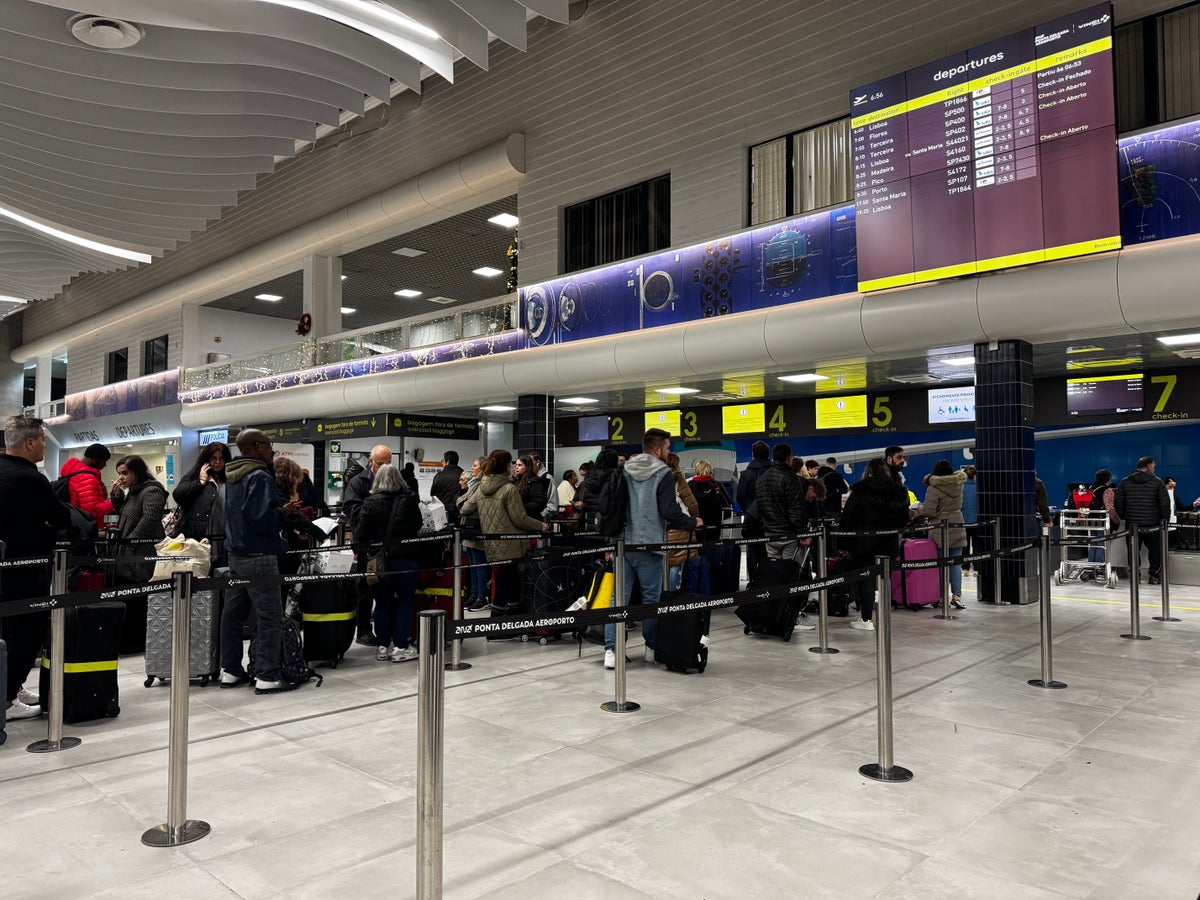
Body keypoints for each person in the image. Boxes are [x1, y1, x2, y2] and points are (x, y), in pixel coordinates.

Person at [605, 428, 701, 669]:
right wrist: (692, 522)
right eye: (667, 447)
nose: (669, 452)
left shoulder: (624, 470)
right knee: (651, 599)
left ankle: (611, 650)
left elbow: (616, 506)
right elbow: (669, 511)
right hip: (651, 544)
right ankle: (651, 648)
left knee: (618, 598)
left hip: (623, 543)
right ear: (657, 449)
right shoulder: (663, 473)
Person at [0, 416, 71, 720]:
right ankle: (6, 698)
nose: (44, 444)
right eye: (42, 440)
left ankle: (10, 687)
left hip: (4, 565)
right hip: (27, 567)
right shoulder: (31, 478)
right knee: (28, 630)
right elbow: (61, 518)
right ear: (29, 443)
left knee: (6, 631)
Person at [219, 428, 292, 693]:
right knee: (269, 616)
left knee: (232, 616)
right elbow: (262, 520)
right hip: (260, 555)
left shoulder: (231, 475)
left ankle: (230, 670)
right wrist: (282, 513)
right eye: (269, 444)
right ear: (258, 446)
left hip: (236, 555)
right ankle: (267, 675)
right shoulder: (259, 476)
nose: (272, 449)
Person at [463, 449, 548, 614]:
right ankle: (506, 620)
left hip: (491, 542)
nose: (513, 466)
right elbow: (519, 518)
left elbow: (467, 507)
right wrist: (540, 526)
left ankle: (500, 619)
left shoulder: (481, 487)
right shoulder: (509, 489)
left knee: (503, 580)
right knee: (511, 584)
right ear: (506, 466)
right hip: (511, 544)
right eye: (511, 463)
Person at [354, 464, 424, 661]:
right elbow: (418, 524)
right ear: (399, 479)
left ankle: (382, 646)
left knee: (382, 602)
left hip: (379, 561)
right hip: (406, 558)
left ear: (377, 479)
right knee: (404, 602)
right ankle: (400, 647)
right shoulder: (410, 499)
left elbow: (361, 533)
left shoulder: (370, 502)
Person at [838, 457, 910, 631]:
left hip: (864, 543)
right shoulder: (898, 491)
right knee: (885, 579)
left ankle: (866, 619)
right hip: (888, 542)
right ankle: (885, 616)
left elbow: (848, 517)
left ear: (868, 471)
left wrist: (843, 543)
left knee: (866, 580)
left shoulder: (860, 491)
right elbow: (903, 519)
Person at [343, 445, 393, 645]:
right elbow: (351, 508)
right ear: (371, 462)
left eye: (388, 463)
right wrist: (371, 516)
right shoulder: (358, 482)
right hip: (366, 544)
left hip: (389, 543)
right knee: (365, 588)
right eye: (380, 463)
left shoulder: (394, 480)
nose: (384, 467)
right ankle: (363, 630)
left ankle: (387, 628)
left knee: (388, 588)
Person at [109, 454, 170, 584]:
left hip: (142, 552)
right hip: (130, 552)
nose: (121, 478)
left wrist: (131, 542)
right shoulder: (134, 491)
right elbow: (125, 514)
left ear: (137, 472)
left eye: (125, 473)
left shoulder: (152, 490)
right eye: (119, 474)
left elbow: (150, 518)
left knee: (138, 589)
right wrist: (117, 496)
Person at [918, 460, 968, 608]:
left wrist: (918, 509)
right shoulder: (959, 484)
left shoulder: (934, 488)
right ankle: (957, 595)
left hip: (939, 527)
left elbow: (929, 511)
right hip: (957, 523)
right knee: (955, 563)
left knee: (940, 564)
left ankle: (940, 597)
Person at [754, 443, 815, 563]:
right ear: (788, 458)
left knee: (774, 569)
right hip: (788, 534)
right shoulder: (790, 477)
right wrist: (803, 534)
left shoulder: (762, 479)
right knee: (789, 569)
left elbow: (761, 508)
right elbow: (795, 509)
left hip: (770, 533)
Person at [1115, 456, 1171, 585]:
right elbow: (1164, 503)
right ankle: (1154, 576)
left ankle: (1135, 575)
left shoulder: (1125, 482)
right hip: (1153, 524)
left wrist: (1124, 516)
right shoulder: (1157, 482)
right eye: (1154, 466)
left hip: (1132, 524)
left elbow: (1118, 502)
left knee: (1133, 550)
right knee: (1155, 551)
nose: (1154, 468)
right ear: (1149, 466)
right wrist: (1165, 521)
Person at [172, 441, 229, 567]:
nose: (218, 462)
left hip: (223, 535)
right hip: (197, 536)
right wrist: (200, 482)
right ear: (206, 459)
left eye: (221, 458)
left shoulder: (230, 479)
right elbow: (178, 495)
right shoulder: (194, 475)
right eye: (213, 458)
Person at [457, 457, 491, 611]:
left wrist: (462, 505)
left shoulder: (482, 484)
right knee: (473, 566)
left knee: (479, 565)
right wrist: (462, 503)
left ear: (483, 467)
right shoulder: (473, 483)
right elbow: (461, 500)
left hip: (477, 529)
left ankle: (481, 597)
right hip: (468, 530)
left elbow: (467, 506)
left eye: (475, 465)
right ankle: (473, 595)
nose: (472, 467)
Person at [665, 452, 700, 590]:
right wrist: (695, 520)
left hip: (660, 527)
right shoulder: (678, 480)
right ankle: (673, 595)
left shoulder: (653, 479)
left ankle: (663, 595)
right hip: (679, 526)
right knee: (676, 562)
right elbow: (692, 504)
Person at [737, 441, 771, 576]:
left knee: (752, 550)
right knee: (769, 551)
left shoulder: (746, 474)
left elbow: (740, 496)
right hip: (771, 518)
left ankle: (753, 580)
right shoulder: (772, 472)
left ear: (753, 455)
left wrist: (748, 509)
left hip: (751, 519)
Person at [59, 442, 114, 527]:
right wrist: (113, 503)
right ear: (94, 459)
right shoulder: (86, 478)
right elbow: (92, 509)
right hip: (88, 527)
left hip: (76, 523)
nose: (105, 465)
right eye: (104, 461)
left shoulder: (73, 472)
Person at [688, 458, 730, 540]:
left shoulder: (690, 485)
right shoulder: (716, 484)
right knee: (713, 544)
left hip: (697, 523)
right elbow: (728, 502)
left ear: (697, 470)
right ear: (710, 470)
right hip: (715, 524)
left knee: (699, 544)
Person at [1086, 469, 1117, 563]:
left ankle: (1091, 566)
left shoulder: (1090, 488)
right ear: (1108, 479)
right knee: (1102, 543)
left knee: (1093, 543)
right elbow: (1110, 508)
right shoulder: (1107, 490)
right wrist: (1116, 520)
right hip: (1102, 520)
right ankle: (1099, 566)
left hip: (1091, 519)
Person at [512, 454, 551, 520]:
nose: (516, 467)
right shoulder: (516, 481)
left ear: (527, 467)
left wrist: (520, 507)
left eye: (519, 465)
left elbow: (539, 503)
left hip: (530, 519)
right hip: (519, 518)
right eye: (516, 465)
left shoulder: (534, 482)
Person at [430, 450, 464, 524]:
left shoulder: (439, 476)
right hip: (459, 512)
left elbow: (432, 494)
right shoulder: (463, 474)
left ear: (447, 461)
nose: (442, 462)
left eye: (443, 460)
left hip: (441, 512)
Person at [960, 465, 978, 574]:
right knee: (976, 545)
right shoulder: (979, 488)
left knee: (964, 545)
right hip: (976, 521)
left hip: (963, 521)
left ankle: (965, 567)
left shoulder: (960, 488)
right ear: (975, 476)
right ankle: (977, 567)